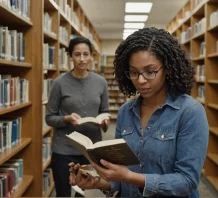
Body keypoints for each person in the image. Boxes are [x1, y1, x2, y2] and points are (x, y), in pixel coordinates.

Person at [69, 27, 209, 198]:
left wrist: (131, 177)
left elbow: (187, 182)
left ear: (168, 68)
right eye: (134, 73)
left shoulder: (190, 112)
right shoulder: (125, 112)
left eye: (150, 72)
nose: (141, 80)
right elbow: (120, 178)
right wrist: (99, 183)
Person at [45, 37, 110, 197]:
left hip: (90, 150)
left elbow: (105, 111)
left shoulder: (101, 82)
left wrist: (104, 123)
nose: (82, 59)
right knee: (63, 194)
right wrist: (66, 119)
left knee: (84, 194)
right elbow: (49, 117)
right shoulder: (59, 83)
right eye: (77, 54)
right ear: (70, 56)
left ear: (91, 56)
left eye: (85, 54)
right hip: (64, 149)